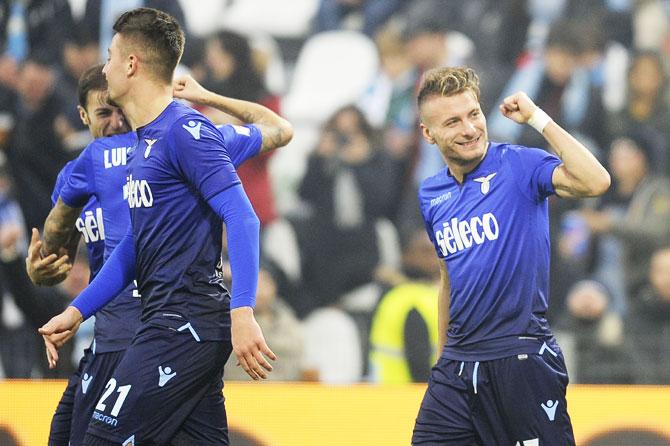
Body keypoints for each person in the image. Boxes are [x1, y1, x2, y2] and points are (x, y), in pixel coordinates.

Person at [37, 8, 292, 445]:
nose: (105, 66)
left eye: (111, 55)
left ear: (132, 64)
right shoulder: (145, 143)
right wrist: (77, 312)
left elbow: (242, 215)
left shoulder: (186, 132)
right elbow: (136, 246)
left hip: (185, 322)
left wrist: (243, 310)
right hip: (171, 320)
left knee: (101, 437)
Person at [412, 67, 610, 445]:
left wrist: (538, 118)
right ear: (429, 134)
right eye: (453, 121)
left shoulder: (518, 165)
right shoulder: (431, 194)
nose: (470, 129)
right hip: (455, 368)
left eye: (474, 115)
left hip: (520, 358)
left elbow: (596, 181)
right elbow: (448, 279)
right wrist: (442, 361)